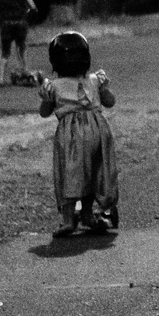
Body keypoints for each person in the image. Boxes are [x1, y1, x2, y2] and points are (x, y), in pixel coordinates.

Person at [38, 30, 119, 237]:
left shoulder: (53, 86)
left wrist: (47, 99)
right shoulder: (94, 80)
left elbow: (44, 113)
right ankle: (87, 214)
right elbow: (110, 102)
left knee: (70, 173)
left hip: (70, 134)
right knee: (93, 170)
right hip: (97, 130)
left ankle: (68, 220)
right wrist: (104, 89)